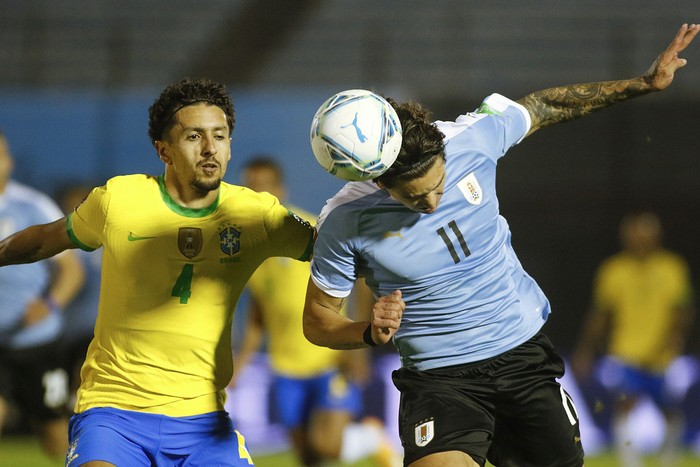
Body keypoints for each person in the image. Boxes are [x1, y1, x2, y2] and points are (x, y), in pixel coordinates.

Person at [302, 24, 699, 467]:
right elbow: (317, 319)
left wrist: (643, 84)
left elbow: (544, 105)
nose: (432, 203)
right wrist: (366, 332)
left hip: (521, 359)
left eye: (438, 186)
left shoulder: (473, 138)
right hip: (439, 382)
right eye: (414, 198)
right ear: (380, 183)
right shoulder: (345, 219)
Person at [0, 78, 316, 466]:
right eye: (194, 136)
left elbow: (335, 248)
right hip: (113, 414)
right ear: (163, 150)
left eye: (220, 135)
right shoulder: (120, 200)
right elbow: (45, 239)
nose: (209, 148)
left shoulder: (258, 215)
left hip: (203, 423)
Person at [231, 157, 400, 466]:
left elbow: (359, 278)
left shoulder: (308, 232)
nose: (256, 195)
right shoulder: (246, 248)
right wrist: (239, 366)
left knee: (327, 444)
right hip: (285, 366)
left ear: (280, 190)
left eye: (263, 188)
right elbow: (259, 313)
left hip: (329, 357)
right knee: (306, 457)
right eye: (250, 188)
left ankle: (370, 438)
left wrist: (357, 342)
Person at [572, 212, 695, 467]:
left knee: (670, 412)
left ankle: (668, 459)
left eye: (644, 236)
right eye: (633, 236)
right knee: (625, 405)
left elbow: (683, 309)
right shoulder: (613, 270)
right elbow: (600, 314)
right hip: (626, 352)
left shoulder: (672, 267)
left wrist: (676, 338)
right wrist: (585, 349)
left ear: (656, 238)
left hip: (662, 355)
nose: (639, 242)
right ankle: (631, 463)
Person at [0, 130, 85, 459]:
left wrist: (49, 305)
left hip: (36, 344)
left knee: (52, 428)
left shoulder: (32, 205)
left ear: (9, 162)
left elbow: (72, 271)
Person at [55, 183, 103, 408]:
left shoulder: (101, 244)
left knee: (83, 381)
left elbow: (75, 276)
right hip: (68, 331)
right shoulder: (68, 246)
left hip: (94, 330)